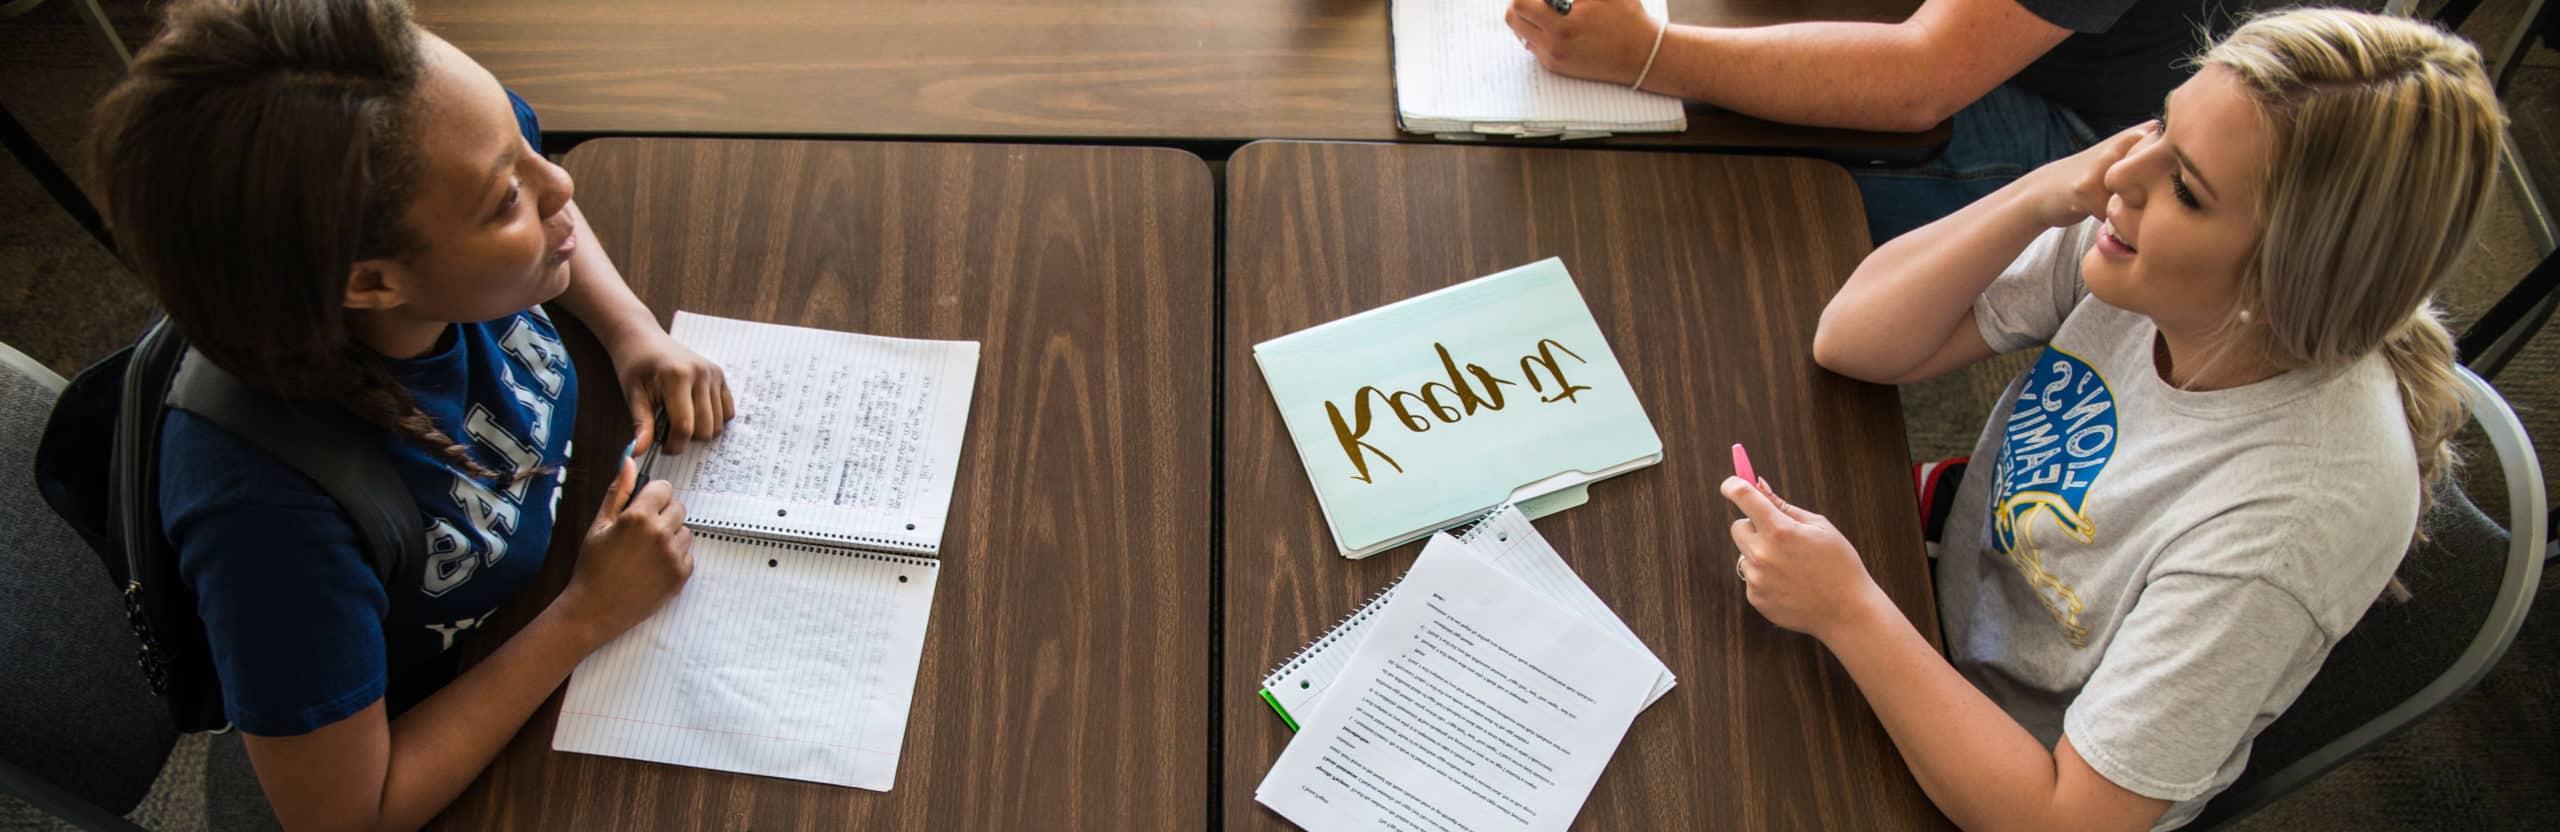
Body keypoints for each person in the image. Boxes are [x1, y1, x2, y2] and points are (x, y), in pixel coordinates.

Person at [1718, 8, 2504, 830]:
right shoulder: (2143, 233)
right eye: (2163, 123)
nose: (2125, 174)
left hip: (2007, 772)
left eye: (2188, 188)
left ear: (2285, 281)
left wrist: (1849, 611)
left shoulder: (2288, 522)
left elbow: (2065, 819)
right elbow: (1856, 341)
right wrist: (2044, 191)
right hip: (1947, 604)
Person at [83, 0, 737, 827]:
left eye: (524, 144)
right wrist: (585, 615)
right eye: (505, 201)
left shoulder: (443, 142)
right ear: (371, 283)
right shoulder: (266, 512)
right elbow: (353, 813)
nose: (559, 182)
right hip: (455, 699)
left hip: (558, 563)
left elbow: (546, 202)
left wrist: (630, 330)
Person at [1503, 0, 2249, 243]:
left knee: (1655, 165)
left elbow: (1920, 80)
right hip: (1994, 38)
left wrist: (1647, 54)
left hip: (2107, 134)